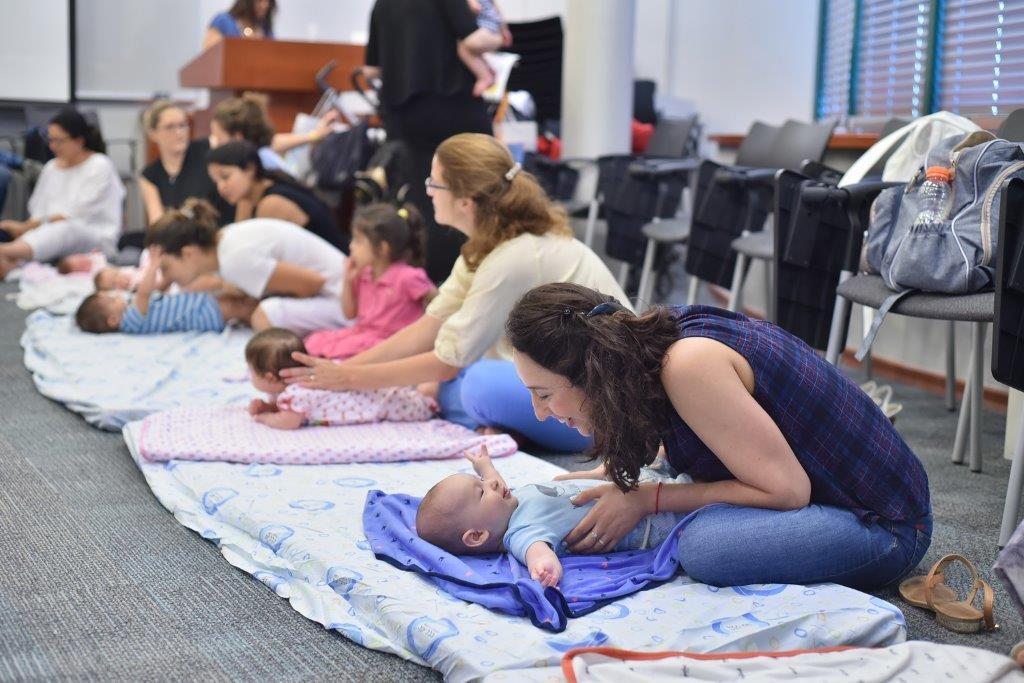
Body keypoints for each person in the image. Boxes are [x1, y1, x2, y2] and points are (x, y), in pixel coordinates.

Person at [501, 282, 933, 590]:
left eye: (544, 394)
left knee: (704, 548)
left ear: (590, 372)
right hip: (840, 497)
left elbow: (787, 492)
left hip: (887, 527)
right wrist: (616, 472)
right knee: (671, 493)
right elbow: (695, 433)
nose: (540, 413)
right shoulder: (655, 337)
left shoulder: (687, 365)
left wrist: (648, 499)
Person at [278, 134, 629, 453]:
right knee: (441, 384)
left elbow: (447, 362)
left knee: (470, 384)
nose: (428, 190)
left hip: (601, 404)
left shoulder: (513, 257)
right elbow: (429, 326)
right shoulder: (489, 246)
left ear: (465, 202)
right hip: (566, 380)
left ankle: (507, 425)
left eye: (435, 182)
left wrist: (346, 379)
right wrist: (339, 370)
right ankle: (503, 426)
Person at [417, 445, 690, 587]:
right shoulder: (521, 533)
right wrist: (545, 569)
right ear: (477, 535)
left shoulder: (507, 503)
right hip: (651, 522)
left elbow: (494, 482)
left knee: (668, 453)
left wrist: (485, 468)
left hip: (634, 485)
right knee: (693, 493)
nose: (492, 484)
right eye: (481, 491)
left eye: (481, 481)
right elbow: (537, 552)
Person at [364, 0, 494, 283]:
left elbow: (371, 70)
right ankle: (470, 272)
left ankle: (420, 274)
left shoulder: (382, 4)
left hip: (401, 114)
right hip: (452, 107)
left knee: (419, 194)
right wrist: (497, 39)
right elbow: (473, 39)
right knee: (474, 189)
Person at [146, 198, 351, 335]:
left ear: (188, 253)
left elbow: (312, 284)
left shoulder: (234, 259)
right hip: (341, 296)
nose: (167, 278)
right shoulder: (227, 243)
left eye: (166, 268)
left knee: (265, 315)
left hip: (346, 302)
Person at [0, 109, 125, 280]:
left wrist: (26, 227)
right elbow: (38, 212)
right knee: (24, 230)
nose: (52, 146)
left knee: (66, 228)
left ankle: (7, 252)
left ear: (79, 141)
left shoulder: (99, 165)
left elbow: (73, 216)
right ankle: (12, 263)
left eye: (59, 141)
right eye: (50, 140)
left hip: (93, 236)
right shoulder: (51, 167)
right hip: (48, 232)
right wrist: (22, 227)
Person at [304, 203, 433, 360]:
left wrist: (422, 337)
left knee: (343, 355)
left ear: (382, 248)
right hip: (362, 334)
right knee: (314, 342)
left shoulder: (407, 277)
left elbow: (441, 302)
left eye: (358, 241)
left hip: (389, 344)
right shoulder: (364, 274)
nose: (351, 246)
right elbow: (349, 314)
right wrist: (348, 279)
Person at [246, 327, 437, 430]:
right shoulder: (303, 385)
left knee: (425, 399)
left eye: (251, 370)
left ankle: (434, 379)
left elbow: (289, 421)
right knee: (418, 394)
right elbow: (294, 410)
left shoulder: (294, 394)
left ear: (270, 377)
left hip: (393, 407)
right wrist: (269, 406)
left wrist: (265, 417)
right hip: (385, 395)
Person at [206, 140, 345, 250]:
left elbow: (248, 252)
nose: (221, 187)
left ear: (250, 168)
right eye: (215, 182)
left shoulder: (271, 204)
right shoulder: (252, 195)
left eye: (225, 177)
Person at [75, 251, 256, 334]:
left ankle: (254, 310)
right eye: (112, 300)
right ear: (113, 320)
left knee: (234, 301)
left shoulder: (131, 312)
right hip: (202, 313)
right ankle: (257, 316)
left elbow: (155, 293)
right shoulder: (131, 321)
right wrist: (153, 266)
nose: (117, 295)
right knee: (237, 308)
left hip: (197, 305)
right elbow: (145, 293)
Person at [138, 100, 230, 227]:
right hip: (179, 235)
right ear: (153, 134)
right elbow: (157, 223)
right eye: (170, 127)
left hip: (219, 229)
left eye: (182, 125)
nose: (179, 133)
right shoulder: (150, 175)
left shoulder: (209, 148)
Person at [209, 93, 339, 175]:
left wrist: (314, 136)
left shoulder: (260, 168)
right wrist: (314, 136)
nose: (213, 143)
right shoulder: (261, 152)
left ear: (238, 138)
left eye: (218, 138)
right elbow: (274, 143)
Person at [458, 0, 511, 97]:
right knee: (474, 51)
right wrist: (504, 29)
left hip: (489, 29)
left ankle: (485, 77)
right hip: (493, 26)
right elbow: (496, 8)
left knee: (463, 47)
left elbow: (475, 8)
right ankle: (488, 69)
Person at [204, 0, 275, 49]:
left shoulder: (266, 30)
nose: (265, 5)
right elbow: (210, 55)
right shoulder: (223, 21)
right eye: (260, 0)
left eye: (269, 1)